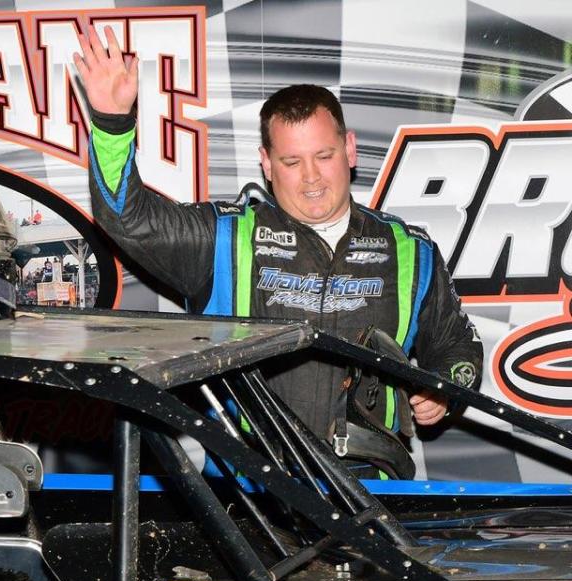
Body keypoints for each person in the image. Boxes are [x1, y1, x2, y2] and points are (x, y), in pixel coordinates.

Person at [74, 26, 482, 470]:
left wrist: (443, 389)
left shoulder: (409, 248)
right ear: (266, 163)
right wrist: (113, 124)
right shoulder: (224, 237)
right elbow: (129, 218)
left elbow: (458, 348)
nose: (311, 177)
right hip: (254, 486)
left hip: (373, 485)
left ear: (349, 150)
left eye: (323, 156)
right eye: (291, 161)